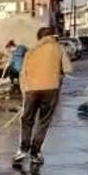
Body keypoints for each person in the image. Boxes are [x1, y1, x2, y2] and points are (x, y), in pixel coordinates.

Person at [14, 27, 72, 166]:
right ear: (52, 36)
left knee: (27, 120)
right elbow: (68, 68)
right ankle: (35, 152)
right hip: (51, 89)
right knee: (43, 121)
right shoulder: (58, 48)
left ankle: (22, 149)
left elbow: (23, 73)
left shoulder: (31, 50)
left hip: (31, 90)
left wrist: (24, 92)